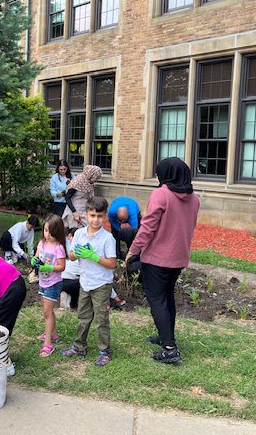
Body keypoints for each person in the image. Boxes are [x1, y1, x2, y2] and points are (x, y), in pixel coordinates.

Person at [126, 157, 200, 364]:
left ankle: (170, 348)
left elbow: (147, 228)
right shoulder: (194, 198)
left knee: (157, 300)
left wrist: (133, 251)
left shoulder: (161, 194)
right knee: (167, 298)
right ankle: (166, 337)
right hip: (178, 258)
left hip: (157, 259)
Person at [60, 196, 116, 367]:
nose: (96, 220)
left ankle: (104, 351)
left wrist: (94, 256)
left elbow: (112, 264)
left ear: (105, 216)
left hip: (101, 284)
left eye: (99, 216)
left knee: (101, 319)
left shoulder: (108, 238)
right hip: (84, 282)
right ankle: (79, 347)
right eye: (92, 216)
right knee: (83, 317)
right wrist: (78, 253)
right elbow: (70, 256)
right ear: (85, 215)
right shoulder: (79, 234)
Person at [30, 214, 66, 357]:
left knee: (47, 312)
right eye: (45, 230)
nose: (48, 234)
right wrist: (34, 260)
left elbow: (62, 266)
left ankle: (48, 343)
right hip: (43, 281)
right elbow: (37, 256)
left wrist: (49, 268)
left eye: (51, 232)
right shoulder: (42, 243)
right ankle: (53, 333)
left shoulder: (59, 248)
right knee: (47, 311)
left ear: (57, 232)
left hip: (53, 283)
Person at [61, 165, 103, 229]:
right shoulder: (78, 182)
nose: (96, 180)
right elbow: (67, 197)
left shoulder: (89, 183)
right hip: (74, 211)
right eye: (96, 178)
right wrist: (74, 212)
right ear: (91, 175)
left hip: (84, 211)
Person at [108, 196, 141, 260]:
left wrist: (128, 238)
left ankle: (132, 255)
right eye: (121, 221)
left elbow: (135, 231)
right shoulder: (111, 212)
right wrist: (119, 231)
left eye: (125, 220)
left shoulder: (133, 214)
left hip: (133, 205)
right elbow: (113, 222)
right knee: (115, 236)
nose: (123, 222)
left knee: (136, 235)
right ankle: (117, 255)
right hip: (117, 205)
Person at [60, 228, 80, 310]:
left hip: (59, 280)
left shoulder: (74, 250)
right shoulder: (77, 250)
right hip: (65, 281)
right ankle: (71, 304)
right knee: (83, 282)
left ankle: (72, 304)